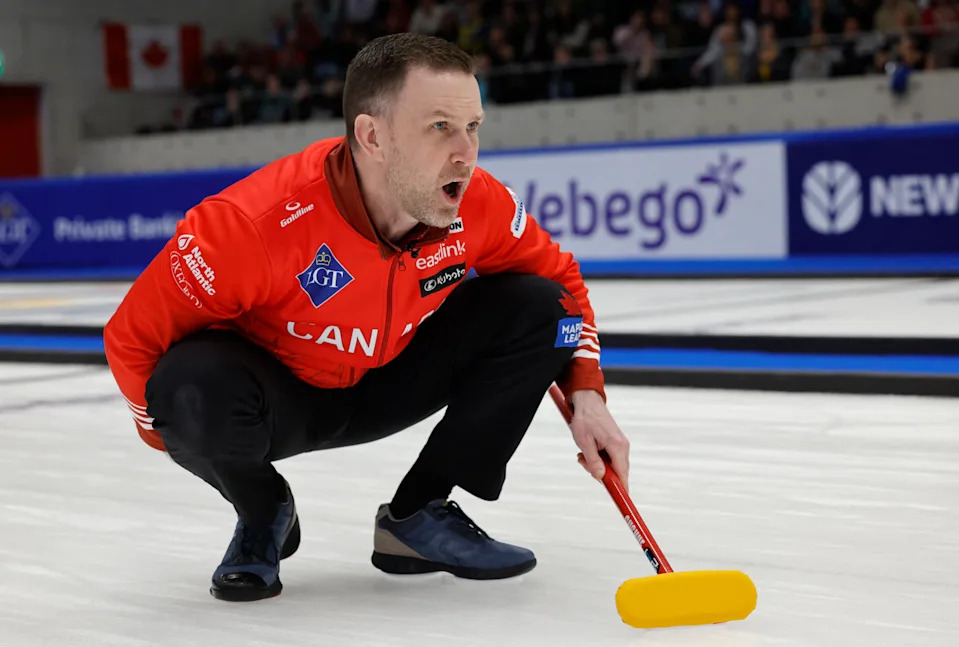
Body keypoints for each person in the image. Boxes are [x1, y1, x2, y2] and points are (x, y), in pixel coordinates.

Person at [103, 33, 630, 603]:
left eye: (473, 127)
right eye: (440, 127)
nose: (466, 153)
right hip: (278, 399)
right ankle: (262, 511)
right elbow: (131, 341)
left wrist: (587, 394)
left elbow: (563, 282)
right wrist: (199, 448)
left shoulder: (478, 202)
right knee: (184, 388)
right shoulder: (252, 226)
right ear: (372, 136)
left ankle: (419, 515)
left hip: (390, 377)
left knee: (544, 306)